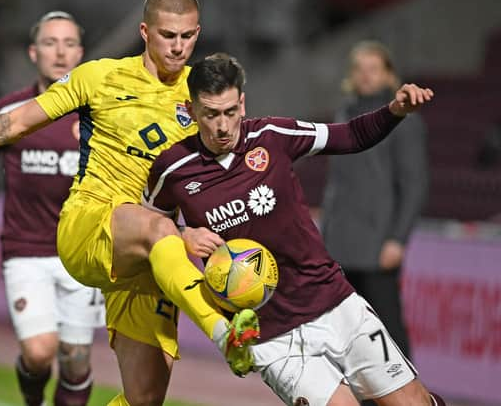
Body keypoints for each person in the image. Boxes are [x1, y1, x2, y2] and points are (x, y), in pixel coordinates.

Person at [0, 0, 258, 405]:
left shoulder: (201, 95)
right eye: (168, 35)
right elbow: (19, 121)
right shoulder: (100, 76)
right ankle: (225, 332)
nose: (178, 47)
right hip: (89, 226)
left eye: (187, 36)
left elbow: (218, 177)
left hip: (153, 256)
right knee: (156, 224)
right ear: (145, 31)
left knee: (144, 398)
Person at [143, 53, 445, 406]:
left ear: (242, 103)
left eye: (229, 111)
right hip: (270, 338)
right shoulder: (172, 170)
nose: (222, 126)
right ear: (191, 110)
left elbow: (348, 136)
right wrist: (182, 234)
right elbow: (149, 225)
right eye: (210, 114)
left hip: (333, 304)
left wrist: (393, 110)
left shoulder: (273, 136)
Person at [0, 12, 104, 406]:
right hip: (26, 252)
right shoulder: (12, 110)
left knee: (76, 364)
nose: (60, 52)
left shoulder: (99, 114)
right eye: (50, 43)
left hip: (82, 254)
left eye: (69, 43)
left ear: (81, 53)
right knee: (40, 353)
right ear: (32, 52)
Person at [321, 41, 428, 359]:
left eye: (373, 69)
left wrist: (397, 238)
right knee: (346, 334)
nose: (365, 76)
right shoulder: (342, 114)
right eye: (359, 69)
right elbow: (336, 182)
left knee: (388, 331)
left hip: (377, 243)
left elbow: (415, 183)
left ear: (389, 75)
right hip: (339, 242)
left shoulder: (404, 120)